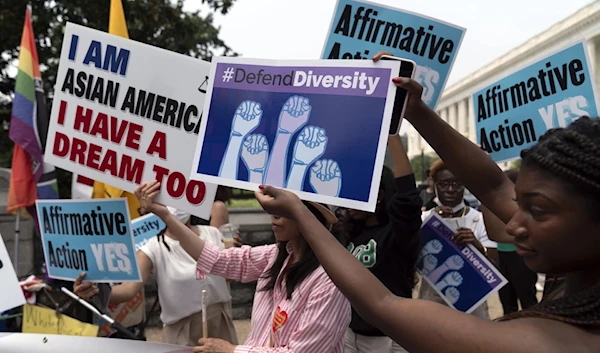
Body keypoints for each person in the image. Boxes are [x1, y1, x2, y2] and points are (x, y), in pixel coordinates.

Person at [252, 51, 600, 353]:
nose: (512, 224)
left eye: (536, 210)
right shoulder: (577, 262)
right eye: (519, 203)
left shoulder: (551, 342)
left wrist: (299, 211)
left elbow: (382, 303)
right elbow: (494, 186)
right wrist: (415, 111)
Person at [136, 181, 351, 353]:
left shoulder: (330, 281)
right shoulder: (277, 255)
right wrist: (166, 216)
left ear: (309, 216)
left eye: (284, 208)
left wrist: (232, 349)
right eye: (273, 205)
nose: (274, 214)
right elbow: (218, 260)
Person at [74, 206, 239, 346]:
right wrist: (96, 292)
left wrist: (238, 256)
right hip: (182, 333)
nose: (177, 206)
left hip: (220, 325)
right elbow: (128, 289)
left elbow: (228, 275)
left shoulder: (213, 234)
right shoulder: (154, 247)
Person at [336, 135, 421, 353]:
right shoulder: (349, 231)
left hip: (389, 339)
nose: (349, 200)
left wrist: (392, 135)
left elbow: (408, 197)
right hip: (350, 334)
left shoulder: (396, 233)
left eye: (358, 193)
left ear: (379, 196)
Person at [419, 158, 498, 319]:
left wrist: (477, 247)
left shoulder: (480, 220)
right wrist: (429, 227)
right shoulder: (423, 219)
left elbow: (495, 267)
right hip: (432, 305)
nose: (450, 189)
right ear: (434, 185)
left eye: (457, 184)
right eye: (443, 184)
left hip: (472, 305)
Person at [481, 169, 538, 315]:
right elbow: (494, 233)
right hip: (503, 256)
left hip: (520, 257)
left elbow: (502, 233)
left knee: (527, 302)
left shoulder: (524, 206)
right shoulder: (496, 203)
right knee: (508, 302)